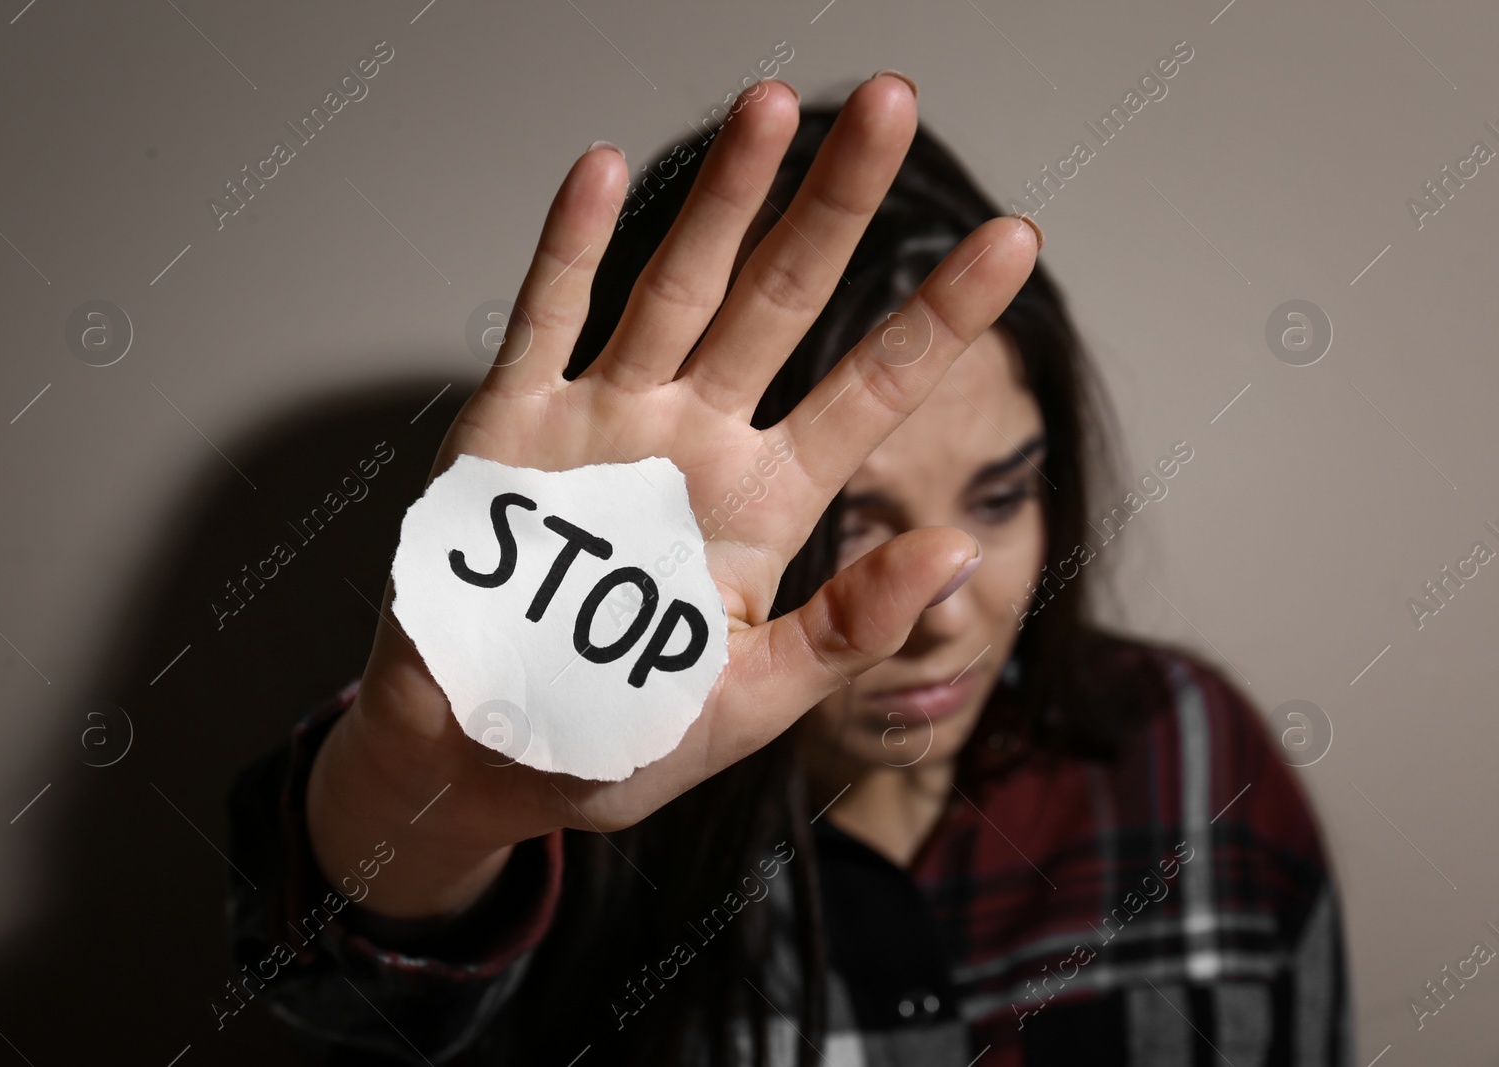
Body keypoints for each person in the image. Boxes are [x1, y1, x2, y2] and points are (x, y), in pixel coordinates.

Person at [225, 73, 1351, 1066]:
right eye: (850, 523)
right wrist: (430, 802)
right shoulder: (567, 816)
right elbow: (346, 1007)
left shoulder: (1189, 755)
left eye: (1002, 496)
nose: (941, 614)